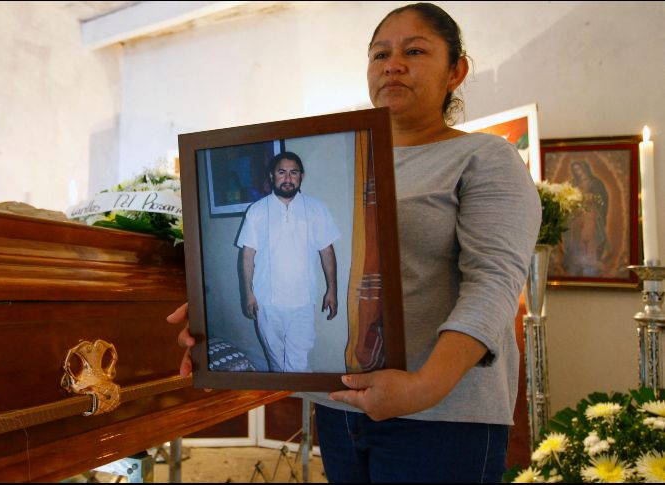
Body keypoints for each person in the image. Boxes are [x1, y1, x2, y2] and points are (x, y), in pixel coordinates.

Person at [168, 2, 541, 482]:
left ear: (457, 70)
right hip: (342, 410)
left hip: (442, 416)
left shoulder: (484, 157)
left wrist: (423, 388)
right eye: (380, 54)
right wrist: (208, 316)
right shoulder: (354, 154)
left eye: (415, 50)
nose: (393, 65)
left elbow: (493, 285)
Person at [236, 151, 340, 372]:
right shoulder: (257, 211)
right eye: (282, 172)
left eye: (293, 173)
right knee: (275, 360)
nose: (287, 178)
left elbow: (327, 251)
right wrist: (248, 293)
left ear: (301, 176)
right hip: (266, 301)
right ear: (272, 176)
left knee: (298, 364)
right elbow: (247, 255)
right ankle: (284, 402)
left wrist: (332, 290)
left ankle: (303, 403)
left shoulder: (316, 208)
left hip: (302, 301)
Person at [561, 160, 612, 276]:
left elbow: (602, 199)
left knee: (589, 239)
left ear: (585, 169)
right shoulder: (572, 184)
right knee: (576, 239)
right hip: (576, 218)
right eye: (575, 170)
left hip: (590, 216)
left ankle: (590, 264)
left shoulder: (595, 183)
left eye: (579, 169)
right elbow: (566, 199)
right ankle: (577, 262)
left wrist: (592, 197)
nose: (578, 172)